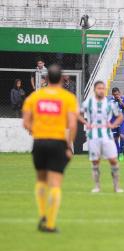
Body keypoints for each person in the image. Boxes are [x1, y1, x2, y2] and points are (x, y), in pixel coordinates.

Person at [22, 64, 78, 233]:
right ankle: (51, 224)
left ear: (45, 79)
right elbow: (73, 125)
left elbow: (25, 122)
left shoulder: (35, 97)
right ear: (61, 79)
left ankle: (42, 215)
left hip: (39, 142)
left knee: (41, 180)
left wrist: (35, 132)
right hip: (57, 142)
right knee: (55, 184)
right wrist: (69, 145)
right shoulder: (67, 98)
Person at [79, 81, 124, 193]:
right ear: (95, 90)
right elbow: (77, 113)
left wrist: (113, 125)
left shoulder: (110, 104)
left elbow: (120, 116)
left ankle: (116, 187)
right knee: (95, 162)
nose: (101, 90)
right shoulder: (88, 102)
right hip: (93, 136)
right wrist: (86, 123)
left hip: (107, 136)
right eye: (99, 88)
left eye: (103, 88)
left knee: (113, 160)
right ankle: (97, 186)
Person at [108, 87, 124, 161]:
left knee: (122, 136)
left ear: (119, 93)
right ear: (112, 94)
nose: (116, 96)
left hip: (122, 122)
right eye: (115, 95)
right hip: (113, 122)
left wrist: (122, 103)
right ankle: (117, 153)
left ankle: (121, 152)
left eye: (117, 94)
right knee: (115, 139)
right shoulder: (110, 101)